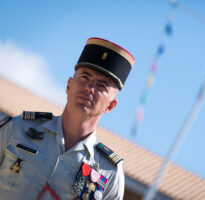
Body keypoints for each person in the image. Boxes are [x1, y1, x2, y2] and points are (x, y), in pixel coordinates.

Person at [0, 37, 135, 200]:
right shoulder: (18, 128)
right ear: (69, 85)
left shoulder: (109, 173)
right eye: (84, 77)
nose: (89, 88)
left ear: (110, 105)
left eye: (101, 85)